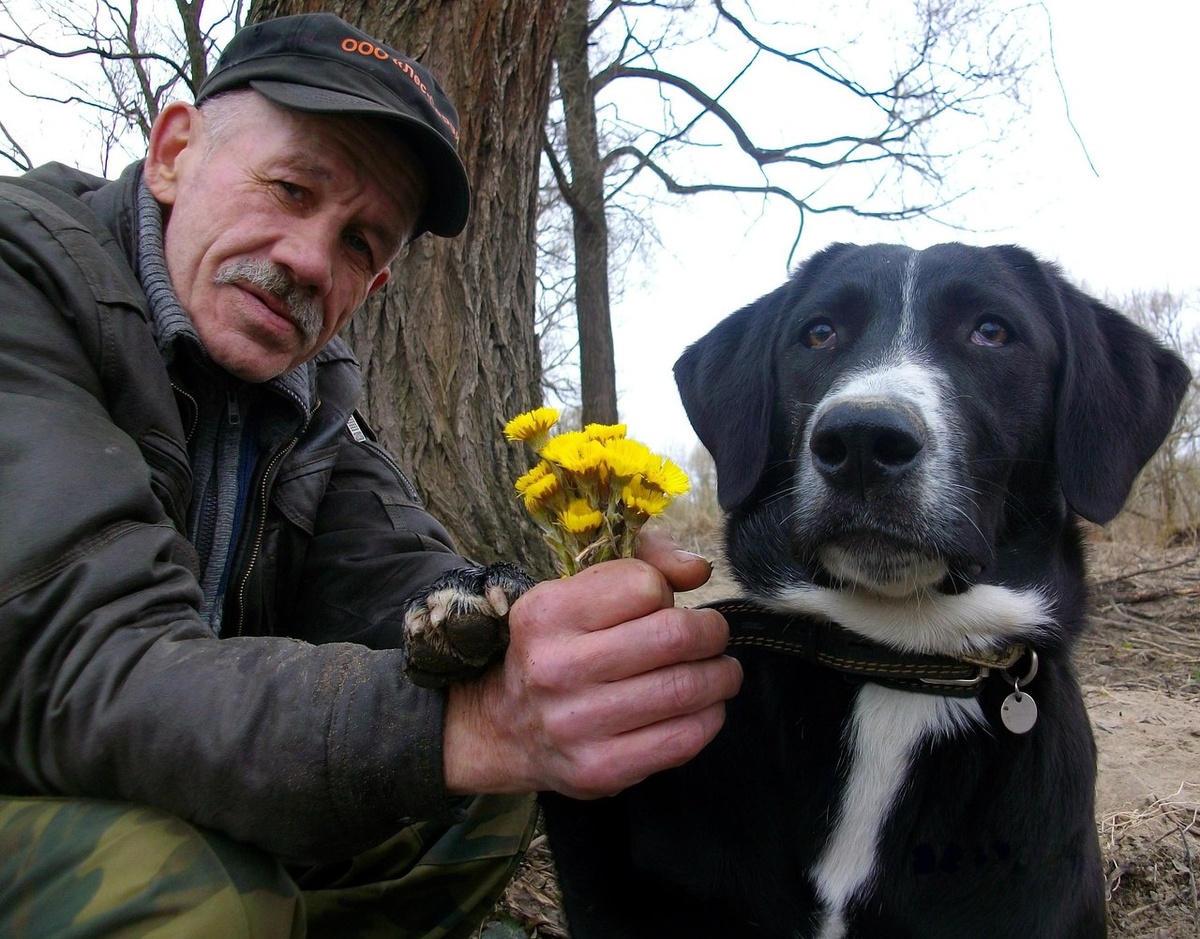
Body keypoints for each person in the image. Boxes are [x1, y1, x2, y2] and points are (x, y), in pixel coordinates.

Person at [0, 12, 742, 938]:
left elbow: (398, 577)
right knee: (195, 891)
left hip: (123, 754)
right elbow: (89, 662)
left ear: (376, 285)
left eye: (360, 243)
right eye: (290, 187)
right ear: (173, 152)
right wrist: (471, 724)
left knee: (487, 785)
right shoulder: (23, 283)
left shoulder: (306, 399)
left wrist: (532, 626)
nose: (309, 259)